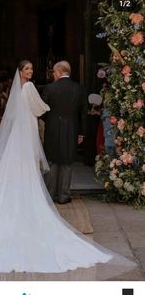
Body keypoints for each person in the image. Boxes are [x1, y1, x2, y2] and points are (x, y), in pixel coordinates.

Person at [0, 61, 135, 280]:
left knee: (19, 168)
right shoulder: (30, 88)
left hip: (18, 137)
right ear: (21, 71)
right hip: (28, 133)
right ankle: (37, 198)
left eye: (31, 68)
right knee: (37, 166)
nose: (30, 72)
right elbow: (40, 108)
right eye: (27, 69)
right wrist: (55, 110)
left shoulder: (19, 89)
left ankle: (18, 199)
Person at [42, 61, 88, 204]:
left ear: (60, 71)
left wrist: (50, 120)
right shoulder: (79, 89)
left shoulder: (50, 88)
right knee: (67, 162)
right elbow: (84, 114)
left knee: (52, 161)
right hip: (72, 129)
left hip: (52, 129)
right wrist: (81, 133)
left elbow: (42, 110)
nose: (53, 75)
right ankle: (64, 196)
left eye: (54, 72)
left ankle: (50, 195)